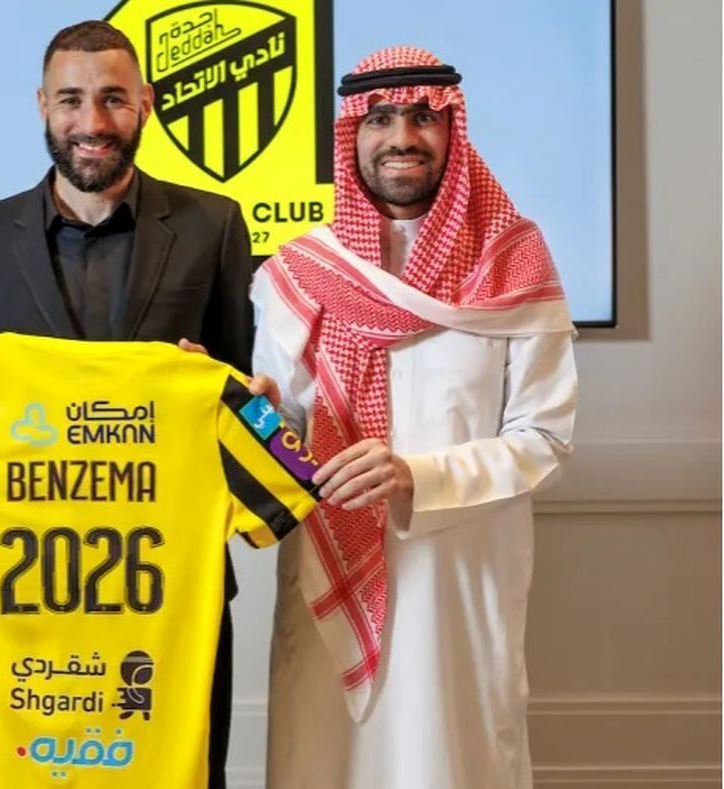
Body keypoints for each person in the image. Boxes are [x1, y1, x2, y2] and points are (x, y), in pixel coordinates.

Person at [252, 47, 577, 788]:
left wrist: (414, 478)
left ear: (452, 129)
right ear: (352, 134)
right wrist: (251, 416)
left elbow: (545, 438)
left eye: (423, 116)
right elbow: (286, 427)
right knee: (324, 760)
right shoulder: (298, 273)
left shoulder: (515, 263)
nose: (401, 136)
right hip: (326, 576)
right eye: (380, 118)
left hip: (459, 584)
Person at [0, 20, 253, 786]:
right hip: (21, 591)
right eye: (71, 100)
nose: (93, 121)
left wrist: (223, 389)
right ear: (42, 105)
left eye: (113, 98)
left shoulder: (214, 226)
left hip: (170, 589)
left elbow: (242, 392)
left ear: (146, 103)